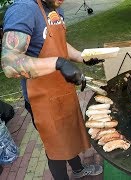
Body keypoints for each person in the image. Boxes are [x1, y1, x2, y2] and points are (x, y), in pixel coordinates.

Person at [1, 0, 104, 179]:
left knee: (69, 135)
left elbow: (61, 43)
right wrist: (58, 63)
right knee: (56, 148)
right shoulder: (24, 9)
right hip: (42, 98)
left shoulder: (55, 7)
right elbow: (10, 65)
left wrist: (82, 57)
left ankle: (78, 170)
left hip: (62, 89)